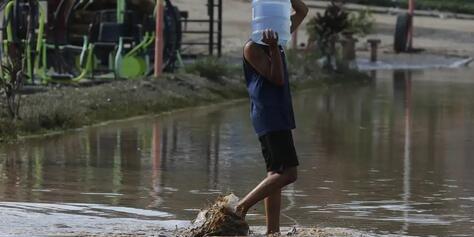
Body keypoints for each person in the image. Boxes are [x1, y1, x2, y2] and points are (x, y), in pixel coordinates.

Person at [237, 0, 308, 235]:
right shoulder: (253, 48)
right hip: (269, 116)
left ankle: (272, 231)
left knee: (274, 174)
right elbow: (276, 78)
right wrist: (274, 47)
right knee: (288, 174)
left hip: (278, 113)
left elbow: (303, 11)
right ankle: (241, 207)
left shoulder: (278, 38)